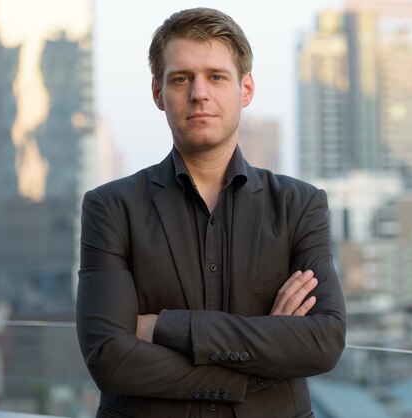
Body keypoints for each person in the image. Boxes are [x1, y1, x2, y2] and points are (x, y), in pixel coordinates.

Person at [76, 7, 346, 418]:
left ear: (246, 89)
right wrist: (261, 360)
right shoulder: (111, 208)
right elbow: (109, 358)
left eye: (216, 76)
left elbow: (323, 341)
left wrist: (165, 327)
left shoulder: (299, 205)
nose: (199, 92)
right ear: (157, 93)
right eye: (181, 78)